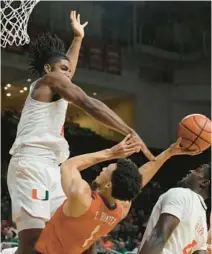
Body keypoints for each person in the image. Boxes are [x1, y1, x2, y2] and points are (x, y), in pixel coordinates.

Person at [7, 10, 154, 254]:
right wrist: (129, 131)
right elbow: (88, 103)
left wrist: (78, 39)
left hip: (51, 167)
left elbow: (68, 71)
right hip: (31, 164)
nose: (68, 73)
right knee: (32, 244)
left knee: (77, 233)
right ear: (48, 69)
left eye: (68, 70)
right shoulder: (48, 82)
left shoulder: (57, 80)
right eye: (63, 69)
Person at [35, 136, 199, 254]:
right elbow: (137, 181)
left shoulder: (82, 198)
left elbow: (69, 165)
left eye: (108, 169)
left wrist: (110, 153)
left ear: (108, 185)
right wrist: (169, 152)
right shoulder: (120, 209)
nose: (103, 168)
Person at [139, 163, 211, 254]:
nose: (191, 171)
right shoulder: (203, 222)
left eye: (197, 170)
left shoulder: (180, 194)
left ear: (204, 182)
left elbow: (158, 237)